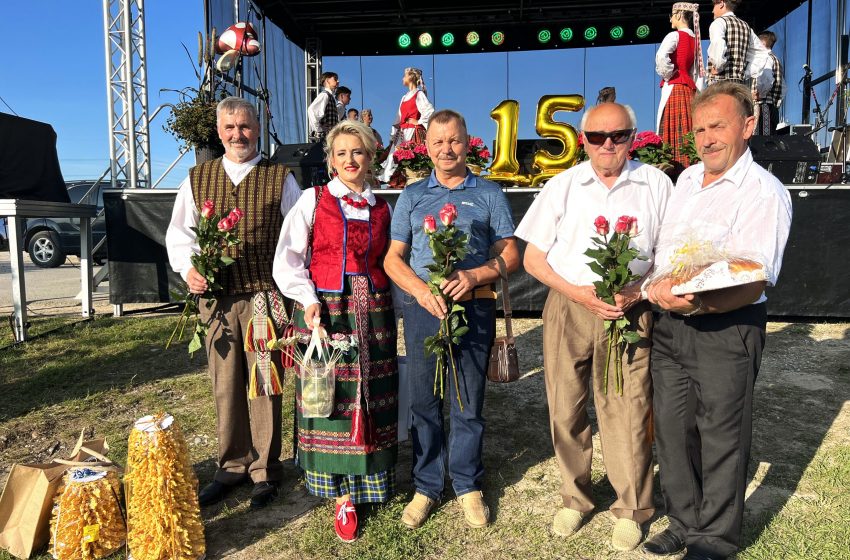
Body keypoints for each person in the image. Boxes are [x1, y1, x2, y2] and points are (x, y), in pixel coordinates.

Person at [642, 82, 792, 560]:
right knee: (673, 429)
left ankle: (714, 541)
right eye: (700, 128)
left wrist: (699, 305)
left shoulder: (764, 192)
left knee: (722, 436)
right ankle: (684, 522)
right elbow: (666, 252)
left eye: (718, 126)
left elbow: (754, 279)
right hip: (670, 327)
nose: (706, 138)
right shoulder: (685, 180)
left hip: (726, 327)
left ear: (747, 127)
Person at [516, 102, 672, 552]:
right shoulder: (562, 185)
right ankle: (575, 497)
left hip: (631, 307)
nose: (608, 144)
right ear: (583, 140)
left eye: (618, 135)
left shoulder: (655, 183)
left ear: (633, 136)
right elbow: (532, 259)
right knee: (565, 404)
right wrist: (577, 292)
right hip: (570, 304)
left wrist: (639, 290)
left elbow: (669, 253)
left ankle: (632, 507)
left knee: (627, 408)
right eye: (597, 136)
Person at [384, 109, 518, 530]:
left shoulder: (489, 194)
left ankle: (466, 483)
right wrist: (421, 291)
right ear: (426, 146)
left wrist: (476, 274)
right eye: (438, 142)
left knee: (467, 400)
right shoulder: (412, 196)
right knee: (424, 400)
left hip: (473, 306)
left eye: (454, 140)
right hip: (424, 308)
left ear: (467, 141)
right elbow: (393, 258)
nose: (447, 149)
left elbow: (511, 254)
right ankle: (426, 485)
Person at [165, 96, 302, 509]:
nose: (238, 134)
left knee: (263, 383)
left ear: (257, 129)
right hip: (217, 300)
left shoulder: (281, 178)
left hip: (263, 295)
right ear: (219, 132)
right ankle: (231, 466)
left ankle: (264, 469)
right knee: (225, 384)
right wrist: (190, 270)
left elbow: (298, 239)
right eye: (230, 128)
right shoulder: (197, 178)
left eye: (245, 127)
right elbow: (180, 235)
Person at [272, 120, 398, 544]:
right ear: (330, 160)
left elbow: (392, 262)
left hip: (375, 312)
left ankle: (369, 484)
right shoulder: (313, 200)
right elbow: (287, 260)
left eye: (357, 152)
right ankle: (339, 493)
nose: (349, 160)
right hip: (327, 309)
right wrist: (307, 300)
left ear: (370, 158)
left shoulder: (383, 207)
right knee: (331, 397)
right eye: (341, 153)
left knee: (372, 393)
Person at [656, 2, 705, 172]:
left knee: (671, 128)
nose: (670, 19)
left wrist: (669, 74)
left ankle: (672, 169)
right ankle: (689, 166)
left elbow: (661, 57)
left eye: (671, 14)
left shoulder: (674, 36)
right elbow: (698, 72)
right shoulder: (695, 40)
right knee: (686, 129)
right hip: (688, 91)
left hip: (675, 88)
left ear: (678, 15)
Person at [377, 67, 435, 183]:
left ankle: (414, 180)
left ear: (411, 78)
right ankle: (399, 181)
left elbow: (429, 111)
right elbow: (398, 118)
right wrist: (393, 135)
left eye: (404, 76)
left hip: (414, 132)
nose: (402, 78)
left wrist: (418, 122)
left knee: (414, 156)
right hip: (403, 132)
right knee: (396, 157)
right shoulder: (404, 97)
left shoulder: (419, 94)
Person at [707, 0, 772, 94]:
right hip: (739, 86)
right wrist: (745, 73)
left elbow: (718, 43)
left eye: (714, 6)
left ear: (721, 3)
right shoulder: (746, 27)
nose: (713, 10)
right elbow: (761, 53)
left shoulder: (718, 23)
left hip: (720, 85)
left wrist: (718, 66)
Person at [753, 31, 786, 135]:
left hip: (763, 106)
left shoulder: (765, 58)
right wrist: (777, 102)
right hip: (771, 106)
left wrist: (759, 94)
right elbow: (783, 87)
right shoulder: (775, 59)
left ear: (762, 43)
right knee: (767, 138)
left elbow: (766, 78)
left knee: (760, 139)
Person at [307, 72, 339, 141]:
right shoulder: (324, 95)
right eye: (335, 79)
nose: (338, 81)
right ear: (327, 80)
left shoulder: (330, 96)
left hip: (330, 136)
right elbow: (312, 110)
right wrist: (319, 130)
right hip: (325, 137)